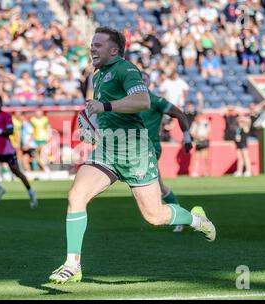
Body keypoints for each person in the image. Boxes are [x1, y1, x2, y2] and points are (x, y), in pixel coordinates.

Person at [48, 27, 216, 284]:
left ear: (114, 50)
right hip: (108, 148)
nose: (92, 48)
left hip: (135, 150)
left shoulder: (126, 70)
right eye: (91, 44)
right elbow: (101, 111)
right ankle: (73, 264)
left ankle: (196, 219)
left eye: (98, 45)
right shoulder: (98, 74)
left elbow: (142, 101)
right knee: (76, 195)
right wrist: (90, 121)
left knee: (154, 216)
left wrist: (103, 106)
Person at [139, 71, 193, 233]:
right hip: (132, 148)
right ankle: (178, 216)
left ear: (148, 84)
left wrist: (187, 137)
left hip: (149, 148)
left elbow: (179, 114)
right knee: (158, 186)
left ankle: (180, 217)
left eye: (143, 80)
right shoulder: (128, 102)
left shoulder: (155, 101)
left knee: (156, 186)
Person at [0, 95, 38, 207]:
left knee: (17, 172)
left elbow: (10, 131)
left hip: (7, 151)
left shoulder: (6, 116)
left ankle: (31, 192)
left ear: (1, 104)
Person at [30, 107, 51, 172]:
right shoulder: (32, 119)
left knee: (42, 153)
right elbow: (31, 129)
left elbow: (48, 127)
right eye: (37, 112)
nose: (38, 113)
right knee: (35, 154)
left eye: (39, 112)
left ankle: (43, 167)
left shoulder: (45, 119)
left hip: (42, 138)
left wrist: (48, 136)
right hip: (35, 139)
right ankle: (39, 167)